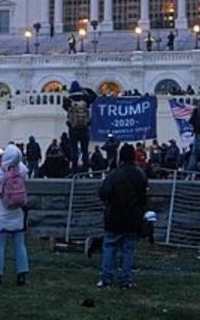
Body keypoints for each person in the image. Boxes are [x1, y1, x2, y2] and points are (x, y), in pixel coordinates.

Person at [97, 143, 148, 290]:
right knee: (128, 250)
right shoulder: (140, 174)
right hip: (133, 218)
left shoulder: (114, 175)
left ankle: (106, 278)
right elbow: (144, 197)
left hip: (113, 216)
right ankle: (126, 280)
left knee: (109, 247)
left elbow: (103, 192)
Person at [0, 144, 30, 286]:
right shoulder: (23, 170)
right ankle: (22, 273)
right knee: (20, 244)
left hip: (1, 212)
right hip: (17, 212)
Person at [66, 84, 94, 174]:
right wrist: (85, 88)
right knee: (85, 150)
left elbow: (65, 108)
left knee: (74, 151)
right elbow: (95, 96)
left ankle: (75, 171)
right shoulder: (86, 99)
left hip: (73, 128)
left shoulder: (68, 100)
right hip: (85, 128)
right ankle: (85, 170)